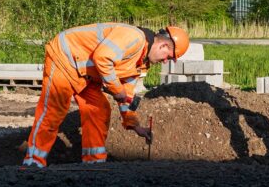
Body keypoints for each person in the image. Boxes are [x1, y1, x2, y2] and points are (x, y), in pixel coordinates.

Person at [22, 23, 190, 167]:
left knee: (99, 110)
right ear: (163, 46)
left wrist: (133, 123)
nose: (165, 61)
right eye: (168, 57)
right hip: (65, 59)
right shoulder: (133, 37)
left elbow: (127, 95)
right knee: (54, 109)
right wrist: (117, 90)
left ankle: (93, 163)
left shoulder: (141, 63)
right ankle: (33, 163)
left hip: (87, 74)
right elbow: (102, 58)